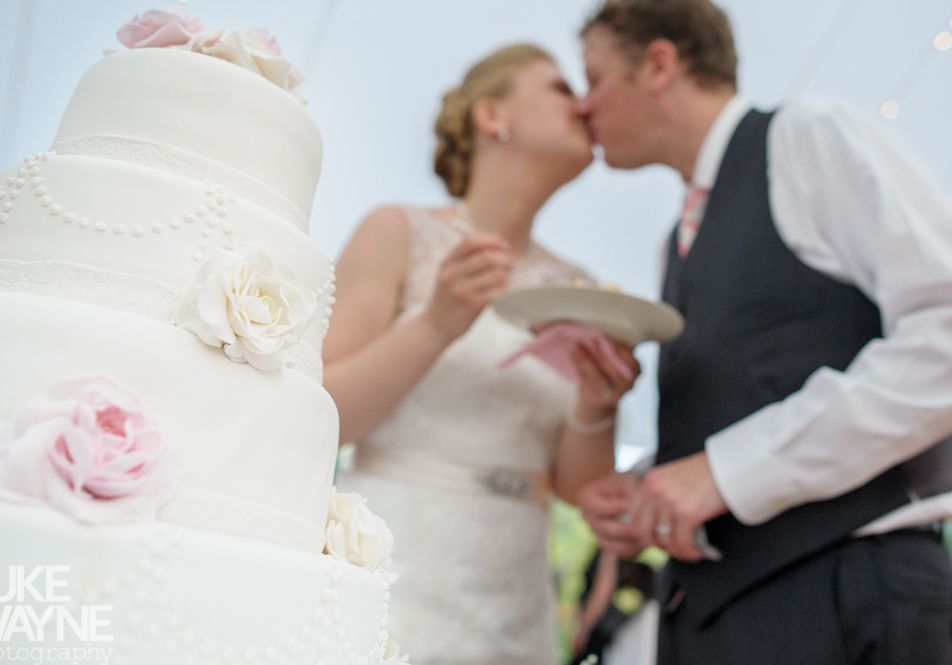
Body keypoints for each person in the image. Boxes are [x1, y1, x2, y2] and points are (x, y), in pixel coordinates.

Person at [574, 1, 952, 663]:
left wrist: (724, 471)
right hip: (718, 619)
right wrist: (652, 494)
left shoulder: (808, 138)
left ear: (659, 64)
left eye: (595, 78)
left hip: (848, 601)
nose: (584, 107)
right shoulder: (675, 243)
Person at [323, 44, 641, 665]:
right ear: (493, 115)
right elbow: (325, 413)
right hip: (393, 552)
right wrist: (437, 323)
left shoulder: (578, 286)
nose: (583, 102)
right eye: (559, 87)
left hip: (515, 579)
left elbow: (580, 486)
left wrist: (595, 407)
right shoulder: (397, 232)